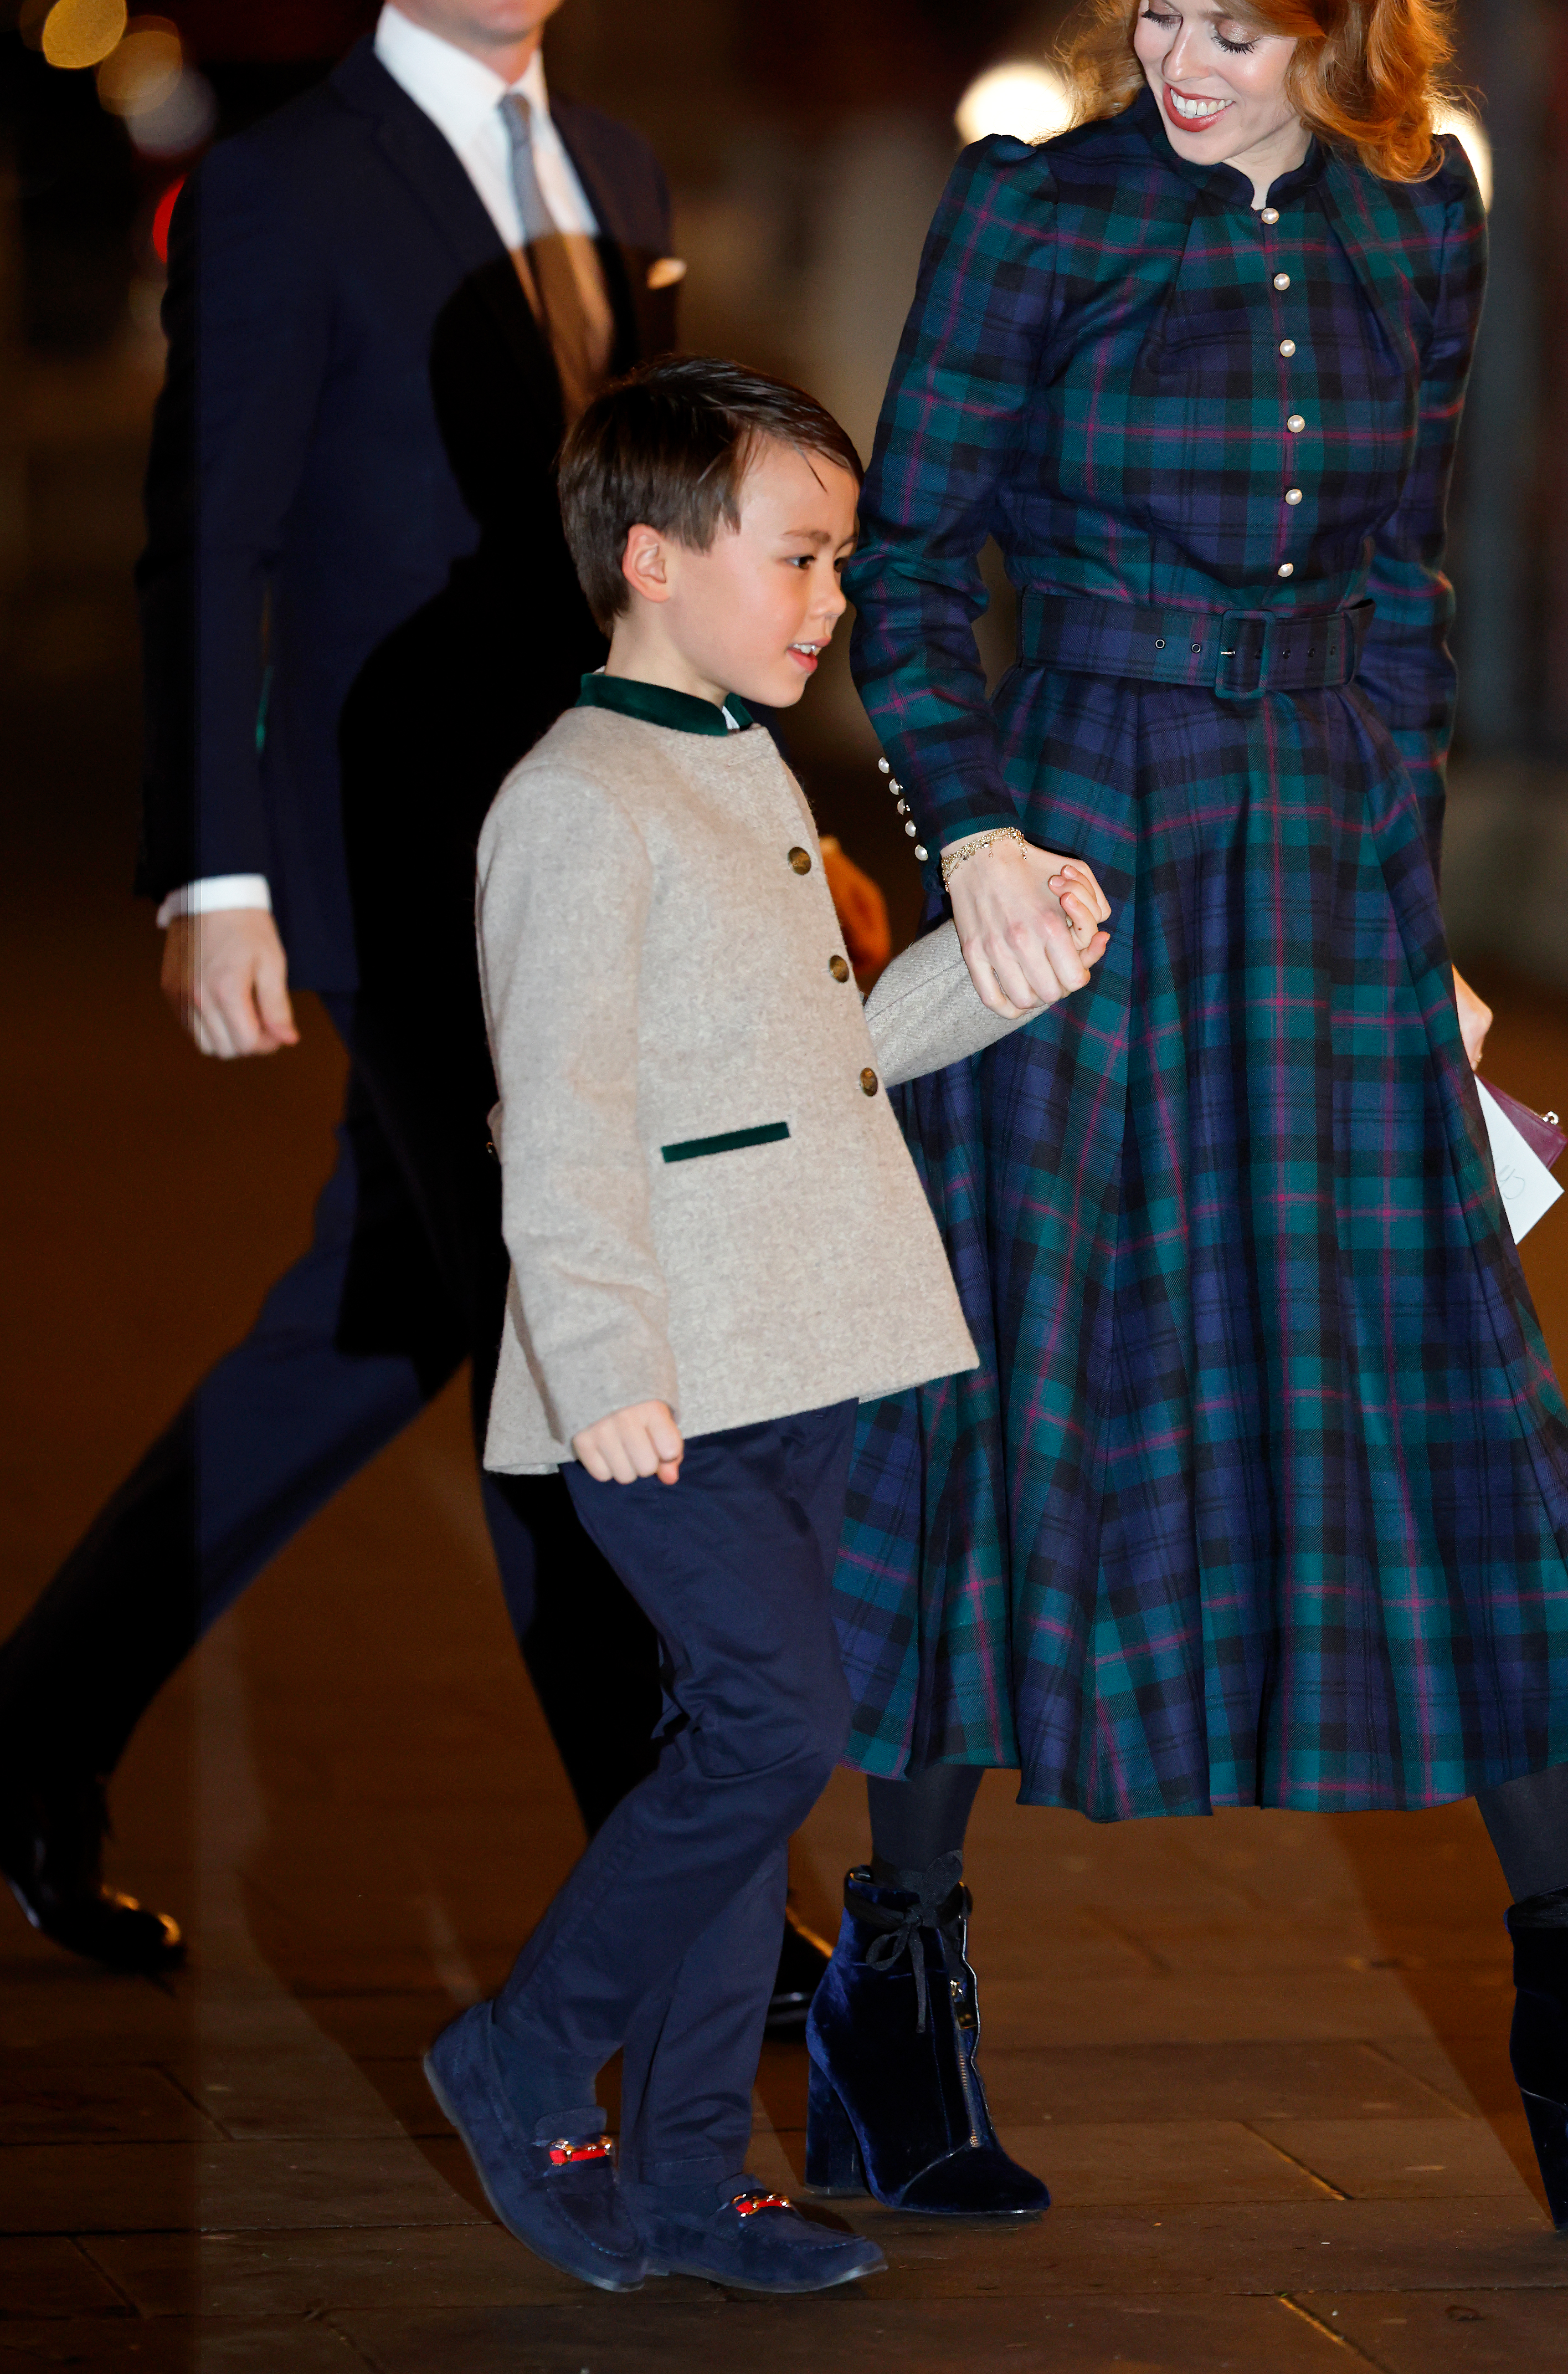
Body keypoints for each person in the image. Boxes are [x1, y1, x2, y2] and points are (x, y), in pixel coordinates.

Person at [804, 0, 1568, 2234]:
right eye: (1152, 14)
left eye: (1232, 30)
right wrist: (976, 845)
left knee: (1446, 1407)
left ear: (1341, 16)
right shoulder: (1035, 210)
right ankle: (894, 1997)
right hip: (1081, 866)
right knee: (1013, 1421)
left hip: (1322, 876)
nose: (1179, 66)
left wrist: (1414, 911)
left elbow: (1407, 592)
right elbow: (910, 570)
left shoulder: (1418, 212)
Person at [0, 0, 839, 2022]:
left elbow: (658, 551)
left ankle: (15, 1740)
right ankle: (696, 1901)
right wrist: (209, 873)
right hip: (397, 861)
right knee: (559, 1327)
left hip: (586, 849)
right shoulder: (293, 187)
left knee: (373, 1321)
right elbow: (202, 540)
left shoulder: (612, 158)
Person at [425, 355, 1104, 2296]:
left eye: (842, 563)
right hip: (661, 1378)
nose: (833, 602)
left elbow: (824, 1070)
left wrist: (1004, 969)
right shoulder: (575, 801)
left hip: (794, 1349)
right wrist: (604, 1356)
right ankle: (525, 2050)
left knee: (733, 1747)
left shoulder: (741, 763)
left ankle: (683, 2187)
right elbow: (553, 1117)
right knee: (775, 1722)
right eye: (799, 558)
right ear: (650, 559)